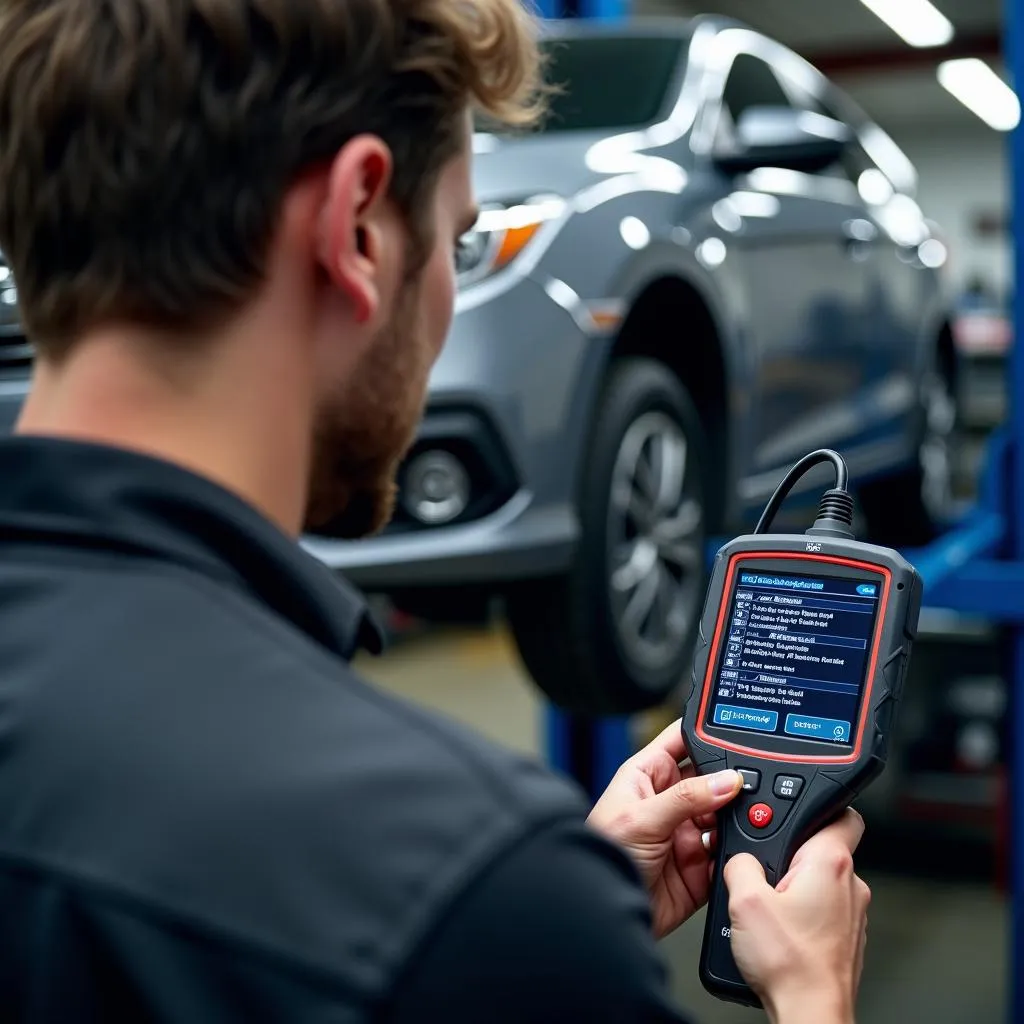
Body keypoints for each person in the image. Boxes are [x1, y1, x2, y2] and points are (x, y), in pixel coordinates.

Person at [0, 1, 869, 1021]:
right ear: (359, 227)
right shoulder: (469, 886)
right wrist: (810, 993)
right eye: (458, 239)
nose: (451, 285)